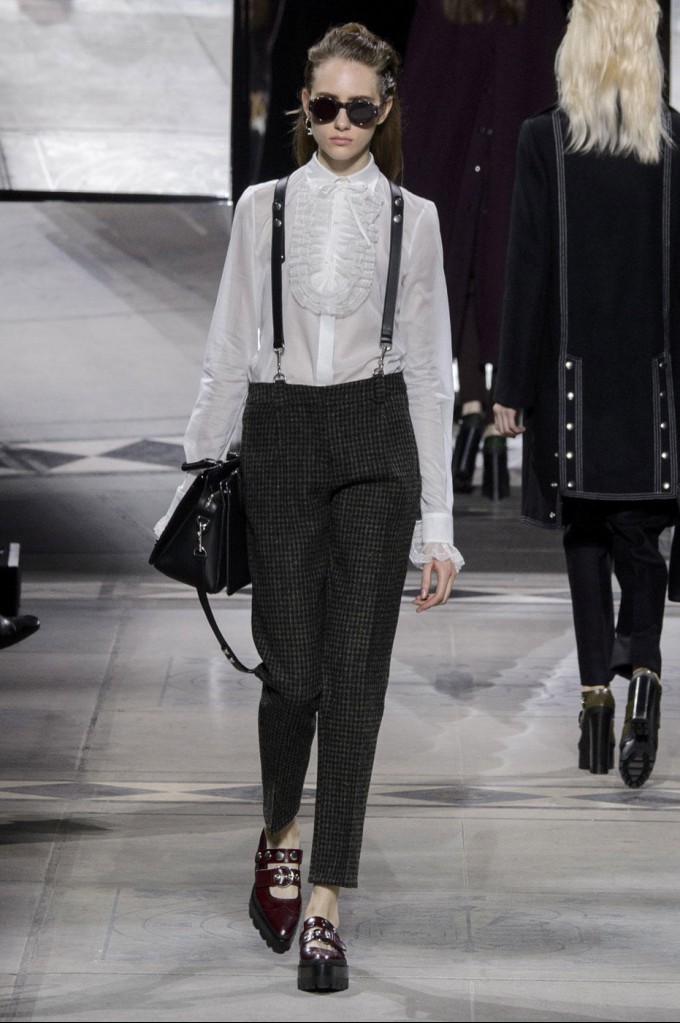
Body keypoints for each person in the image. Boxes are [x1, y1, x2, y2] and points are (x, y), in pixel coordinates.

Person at [156, 22, 463, 993]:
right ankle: (280, 829)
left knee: (356, 677)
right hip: (281, 433)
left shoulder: (415, 219)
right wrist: (197, 468)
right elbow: (229, 342)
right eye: (325, 105)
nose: (340, 122)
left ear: (384, 110)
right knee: (290, 673)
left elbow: (430, 372)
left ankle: (327, 896)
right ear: (304, 104)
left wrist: (440, 526)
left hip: (377, 441)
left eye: (359, 108)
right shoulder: (263, 208)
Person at [493, 0, 677, 789]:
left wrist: (509, 384)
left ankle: (596, 696)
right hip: (655, 386)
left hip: (572, 383)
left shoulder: (545, 140)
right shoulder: (674, 142)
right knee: (641, 538)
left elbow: (526, 266)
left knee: (587, 535)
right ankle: (647, 678)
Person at [400, 0, 567, 498]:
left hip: (447, 147)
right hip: (516, 148)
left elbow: (421, 82)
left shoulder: (443, 7)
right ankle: (496, 419)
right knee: (507, 267)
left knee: (461, 267)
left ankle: (471, 407)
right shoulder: (539, 9)